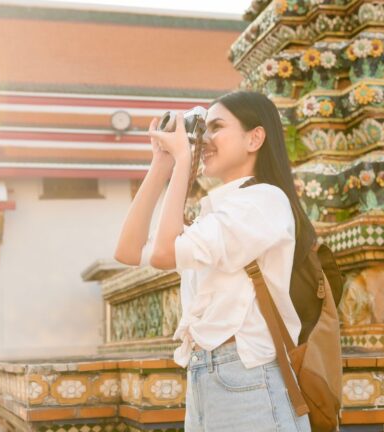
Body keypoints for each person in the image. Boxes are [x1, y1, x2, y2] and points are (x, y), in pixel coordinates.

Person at [114, 91, 314, 431]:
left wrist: (181, 165)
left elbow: (163, 254)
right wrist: (161, 164)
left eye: (216, 127)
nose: (204, 139)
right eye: (203, 128)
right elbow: (128, 251)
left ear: (255, 137)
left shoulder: (263, 201)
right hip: (206, 375)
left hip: (248, 377)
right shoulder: (217, 210)